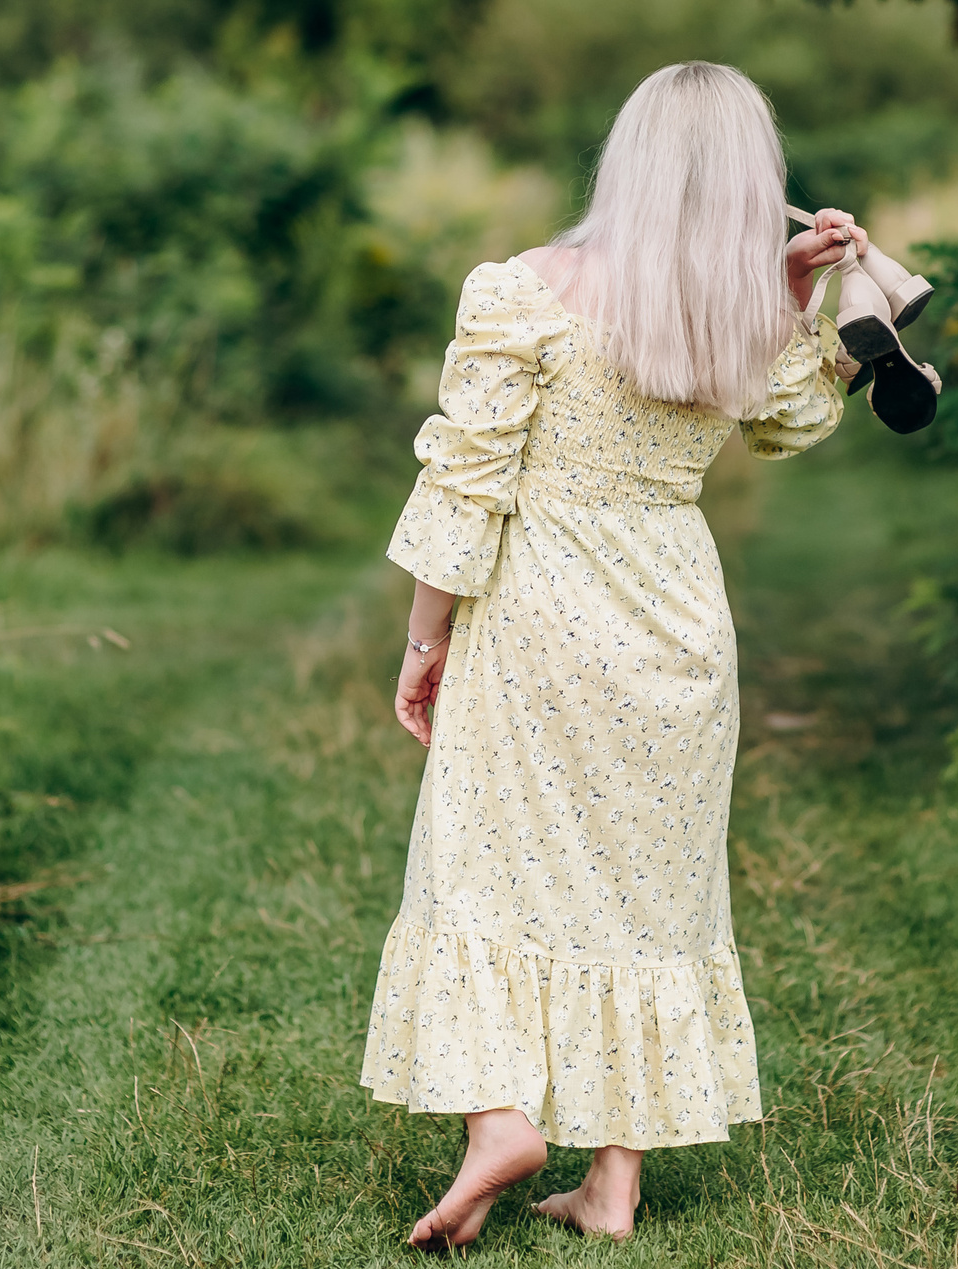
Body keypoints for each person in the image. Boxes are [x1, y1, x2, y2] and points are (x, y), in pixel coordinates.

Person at [359, 61, 866, 1247]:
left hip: (538, 611)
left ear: (626, 160)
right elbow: (794, 420)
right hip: (676, 618)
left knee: (480, 864)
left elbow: (466, 481)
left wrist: (424, 637)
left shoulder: (526, 290)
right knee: (650, 892)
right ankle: (613, 1184)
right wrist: (795, 291)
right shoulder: (733, 311)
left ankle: (501, 1118)